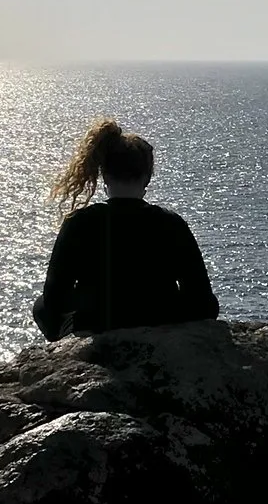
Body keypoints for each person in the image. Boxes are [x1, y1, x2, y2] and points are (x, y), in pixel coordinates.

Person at [33, 119, 220, 339]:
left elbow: (54, 297)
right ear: (146, 177)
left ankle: (71, 344)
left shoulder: (79, 222)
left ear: (104, 175)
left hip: (96, 323)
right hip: (158, 320)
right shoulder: (171, 223)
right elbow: (204, 301)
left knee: (41, 306)